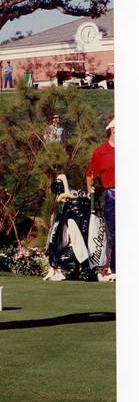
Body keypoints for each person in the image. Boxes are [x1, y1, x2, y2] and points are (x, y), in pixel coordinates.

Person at [86, 117, 115, 281]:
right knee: (116, 234)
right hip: (112, 197)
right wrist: (91, 195)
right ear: (113, 130)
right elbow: (90, 175)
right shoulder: (100, 152)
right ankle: (113, 268)